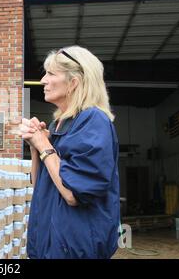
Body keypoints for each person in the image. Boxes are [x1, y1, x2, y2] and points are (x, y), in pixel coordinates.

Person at [19, 46, 120, 259]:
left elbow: (73, 194)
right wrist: (35, 147)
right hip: (49, 246)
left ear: (74, 83)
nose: (43, 80)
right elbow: (41, 185)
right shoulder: (59, 124)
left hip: (74, 250)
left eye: (51, 74)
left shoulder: (93, 120)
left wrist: (44, 146)